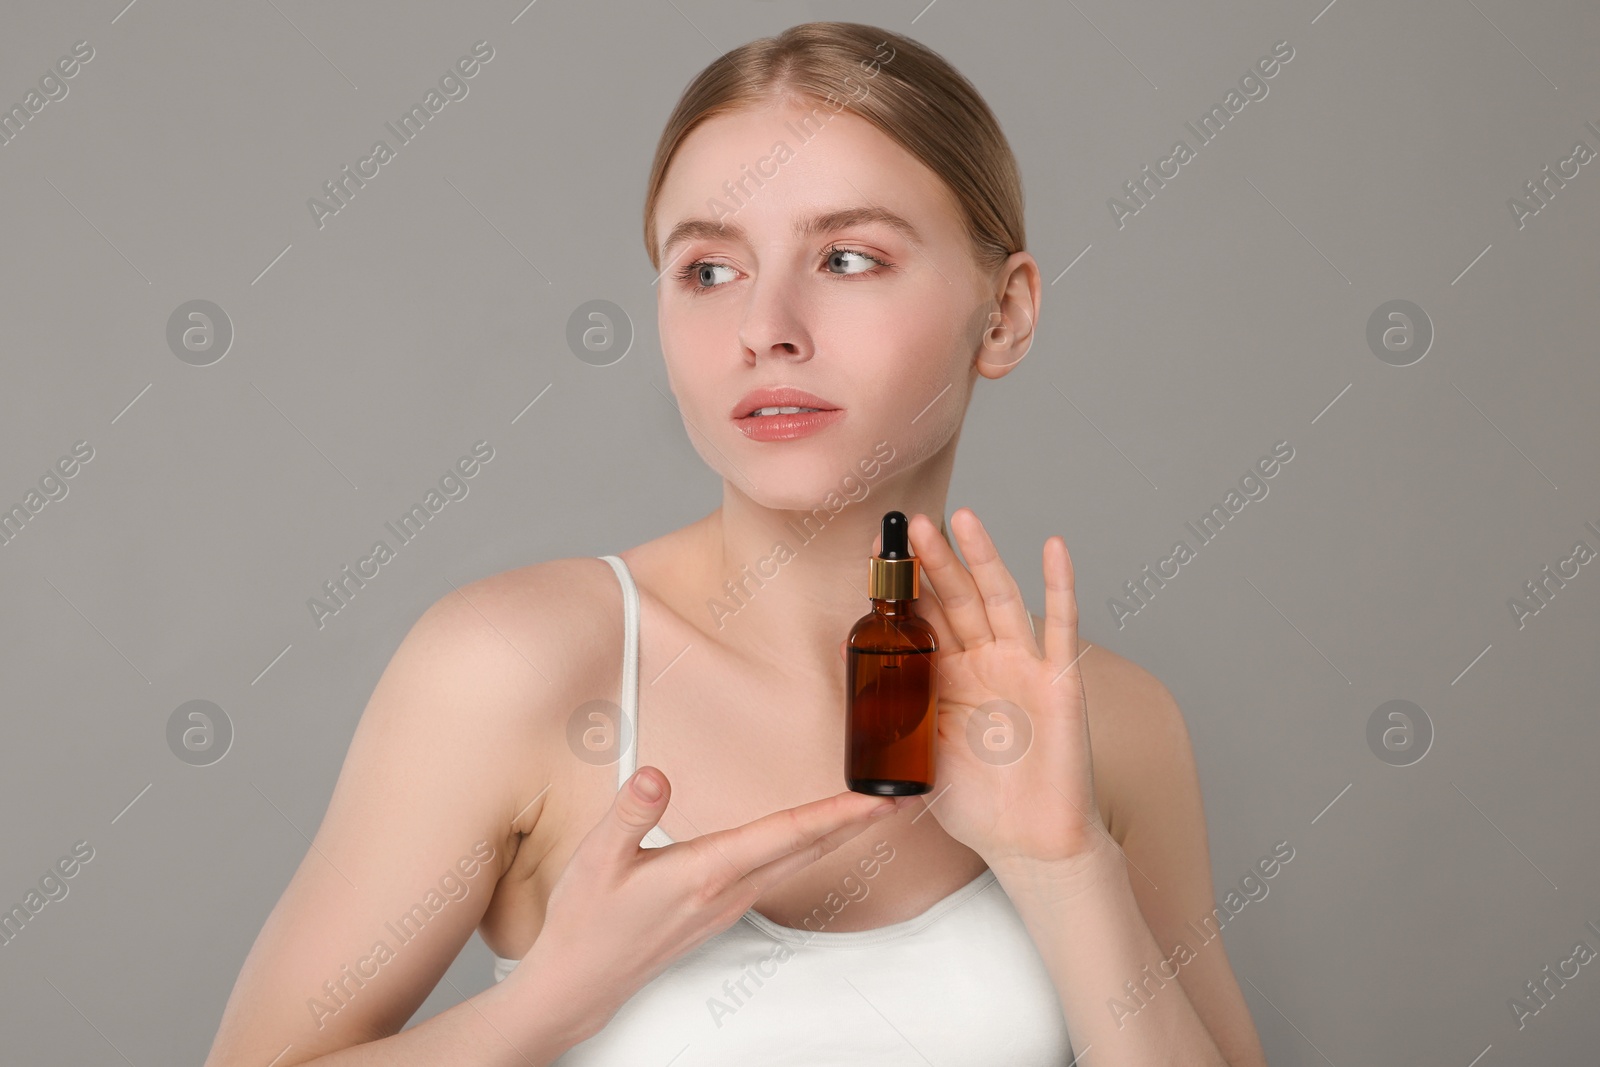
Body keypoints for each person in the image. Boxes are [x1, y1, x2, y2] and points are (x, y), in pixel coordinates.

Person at [205, 21, 1268, 1067]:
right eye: (709, 270)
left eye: (848, 257)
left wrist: (1062, 868)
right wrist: (550, 1004)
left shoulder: (1109, 721)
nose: (767, 325)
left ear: (1004, 314)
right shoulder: (515, 668)